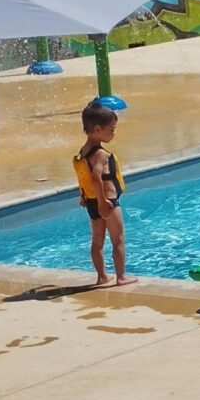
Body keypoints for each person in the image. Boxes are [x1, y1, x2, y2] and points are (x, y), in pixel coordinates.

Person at [72, 100, 132, 288]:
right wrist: (103, 201)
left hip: (91, 201)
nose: (114, 133)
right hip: (107, 202)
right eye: (111, 129)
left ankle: (102, 277)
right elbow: (95, 177)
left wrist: (83, 194)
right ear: (97, 129)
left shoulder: (83, 151)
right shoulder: (100, 154)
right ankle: (121, 277)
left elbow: (83, 174)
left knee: (97, 241)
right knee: (118, 239)